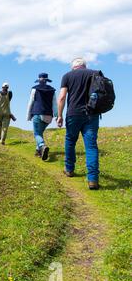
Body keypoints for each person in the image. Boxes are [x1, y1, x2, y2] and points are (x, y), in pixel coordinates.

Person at [57, 58, 101, 190]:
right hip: (92, 114)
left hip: (73, 114)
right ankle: (93, 179)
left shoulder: (67, 76)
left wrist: (59, 115)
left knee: (70, 140)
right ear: (84, 66)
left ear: (73, 67)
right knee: (91, 146)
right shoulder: (95, 73)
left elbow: (62, 97)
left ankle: (69, 169)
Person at [26, 73, 58, 161]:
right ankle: (38, 151)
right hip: (48, 116)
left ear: (39, 80)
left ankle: (42, 146)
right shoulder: (52, 90)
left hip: (37, 113)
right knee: (40, 133)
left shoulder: (35, 89)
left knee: (37, 134)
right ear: (47, 80)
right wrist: (56, 115)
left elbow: (30, 103)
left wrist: (28, 115)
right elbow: (55, 104)